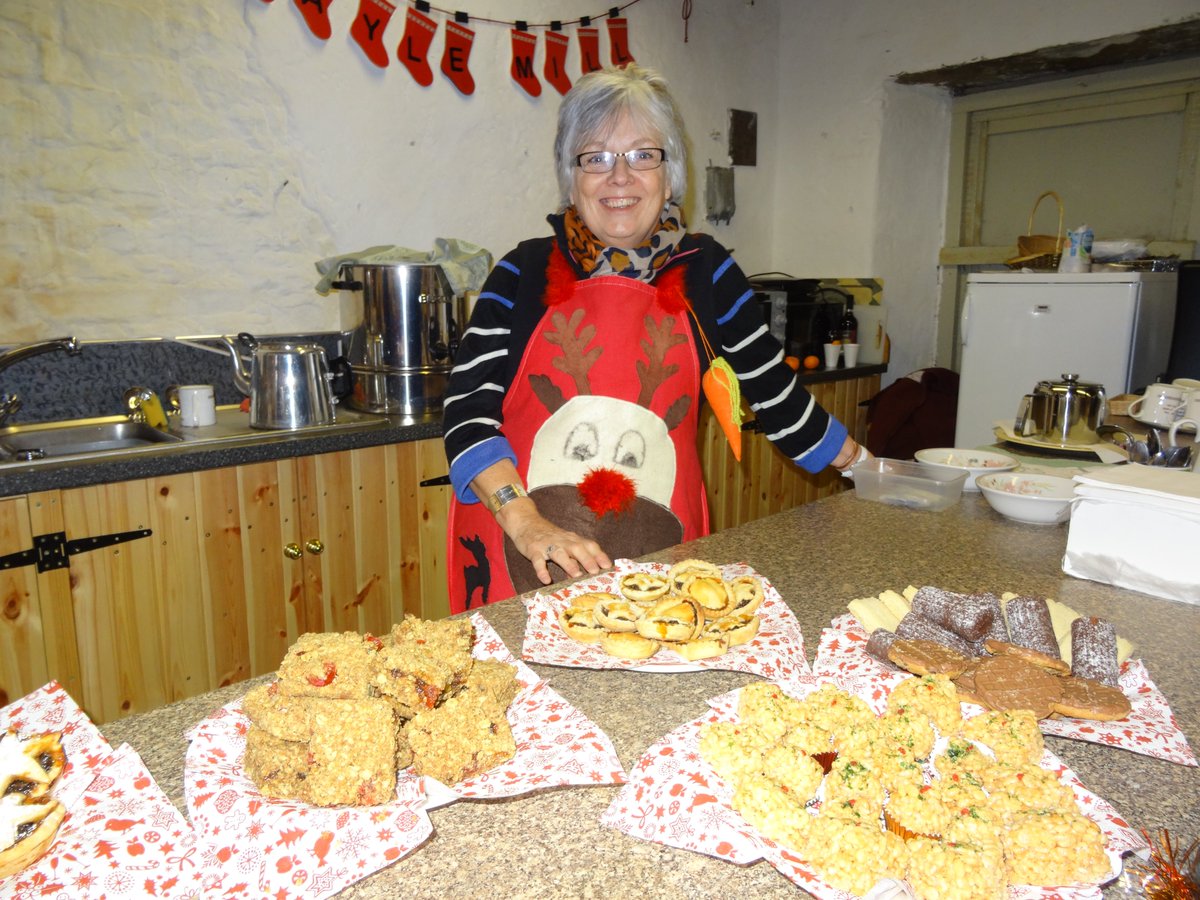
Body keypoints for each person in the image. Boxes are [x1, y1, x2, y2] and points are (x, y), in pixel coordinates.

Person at [442, 64, 867, 613]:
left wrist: (869, 467)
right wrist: (527, 523)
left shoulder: (708, 272)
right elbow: (466, 414)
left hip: (655, 552)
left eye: (642, 154)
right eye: (595, 157)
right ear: (572, 178)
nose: (620, 177)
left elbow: (775, 395)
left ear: (671, 174)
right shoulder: (521, 273)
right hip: (522, 551)